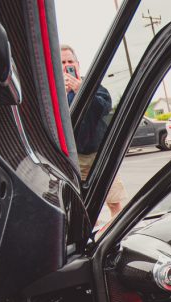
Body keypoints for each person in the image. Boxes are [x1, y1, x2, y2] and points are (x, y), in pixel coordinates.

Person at [60, 44, 126, 219]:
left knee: (115, 202)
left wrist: (81, 90)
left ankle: (115, 238)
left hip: (101, 154)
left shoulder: (91, 83)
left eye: (70, 61)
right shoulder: (55, 91)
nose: (67, 65)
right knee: (81, 206)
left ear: (78, 64)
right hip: (75, 157)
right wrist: (64, 93)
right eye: (62, 62)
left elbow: (105, 106)